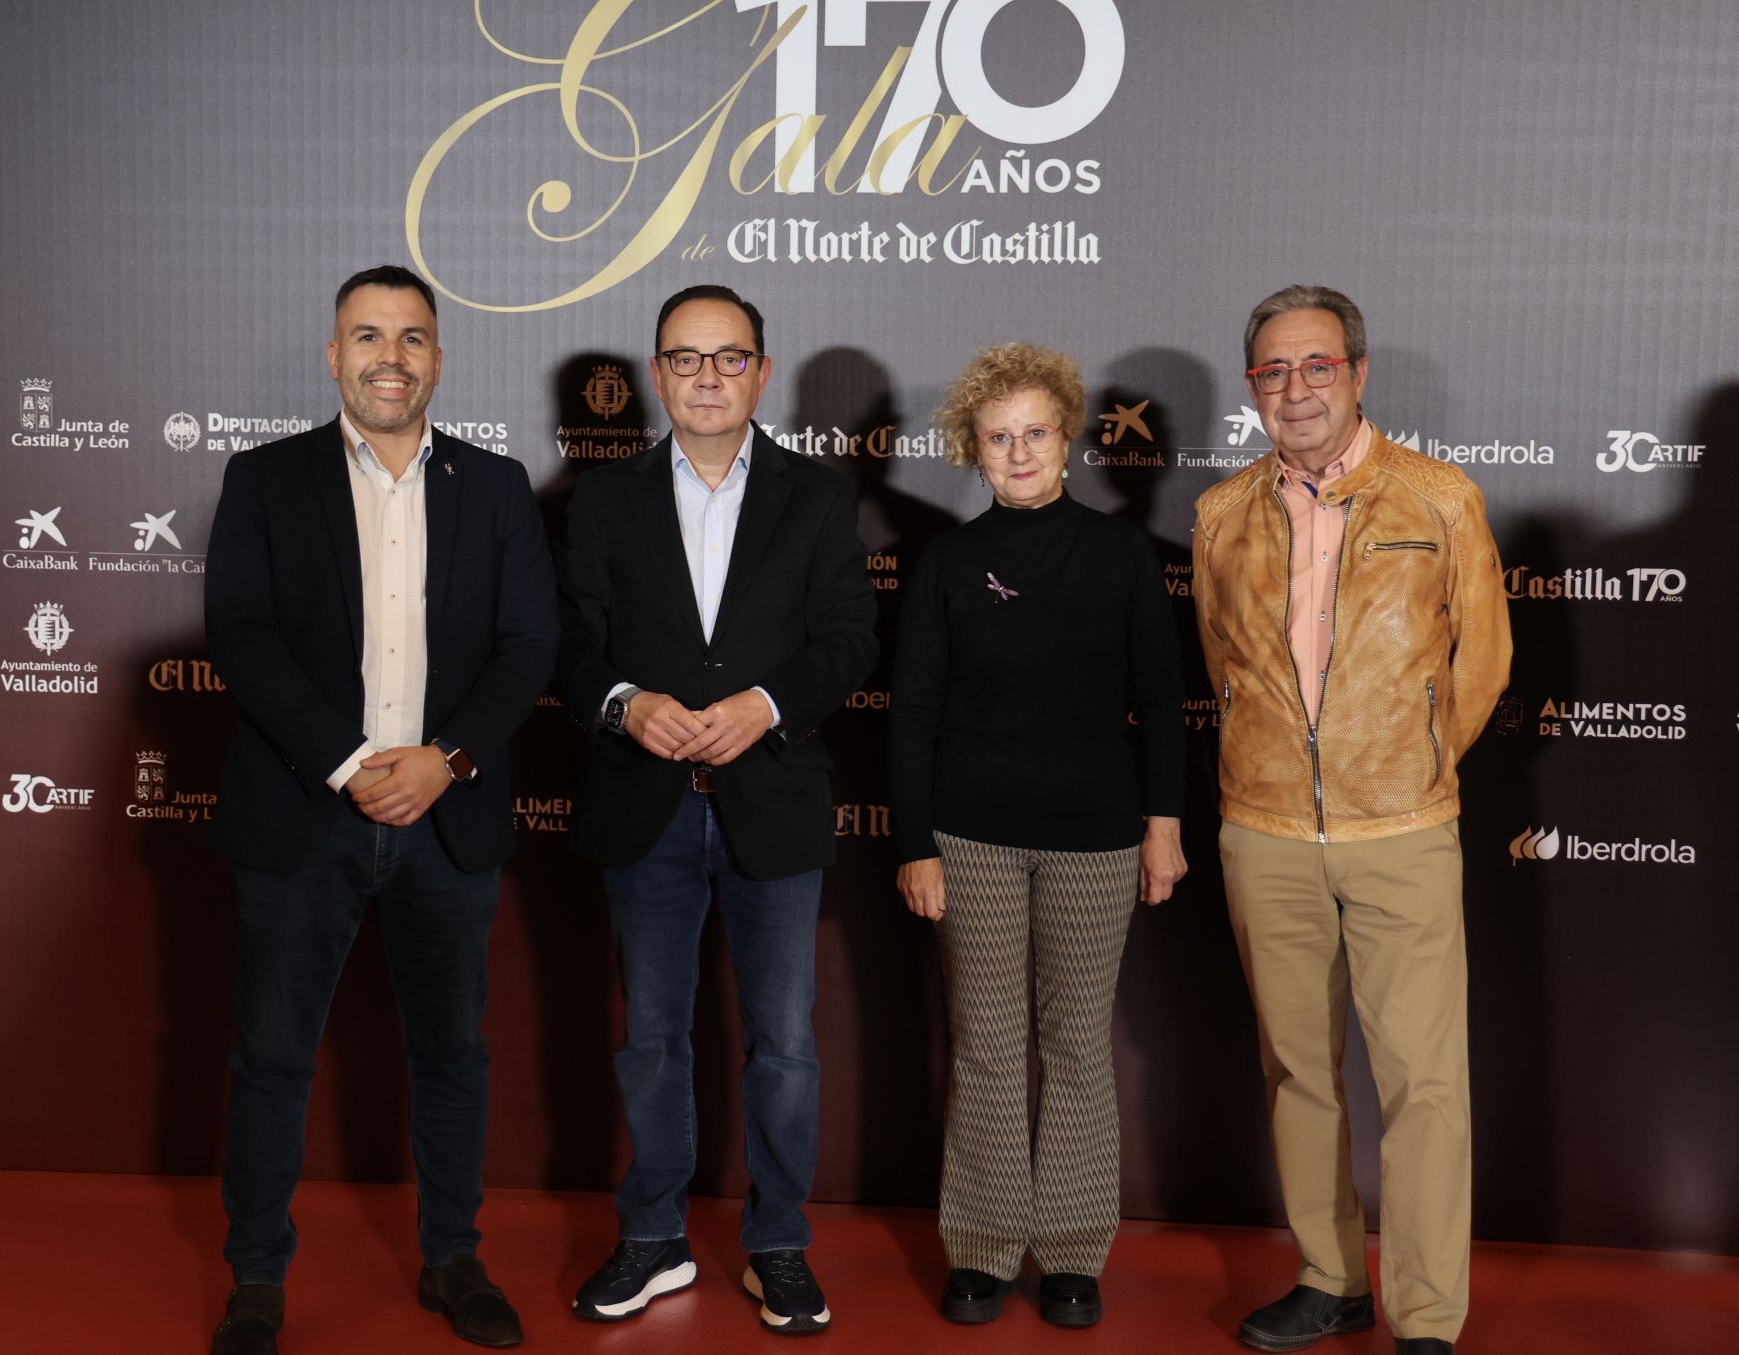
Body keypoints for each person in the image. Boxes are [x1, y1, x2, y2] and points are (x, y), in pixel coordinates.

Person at [203, 265, 557, 1354]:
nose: (389, 356)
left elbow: (527, 646)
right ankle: (257, 1278)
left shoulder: (495, 489)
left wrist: (442, 760)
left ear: (439, 358)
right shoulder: (265, 478)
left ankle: (453, 1255)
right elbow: (242, 635)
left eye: (411, 336)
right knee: (273, 1055)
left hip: (446, 823)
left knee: (452, 1051)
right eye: (367, 335)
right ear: (334, 356)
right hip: (305, 820)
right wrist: (354, 760)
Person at [1191, 285, 1510, 1355]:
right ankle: (1329, 1277)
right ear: (1254, 390)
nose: (1296, 388)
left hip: (1402, 828)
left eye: (1316, 365)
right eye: (1273, 371)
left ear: (1358, 374)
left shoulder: (1441, 498)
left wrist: (1401, 770)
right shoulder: (1220, 513)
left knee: (1424, 1082)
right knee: (1298, 1068)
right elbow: (1223, 664)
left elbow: (1483, 665)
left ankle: (1426, 1313)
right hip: (1264, 829)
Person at [553, 284, 877, 1335]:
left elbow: (847, 639)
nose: (706, 376)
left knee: (784, 1038)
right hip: (644, 806)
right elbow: (569, 648)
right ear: (656, 375)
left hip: (771, 800)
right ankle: (653, 1236)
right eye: (684, 358)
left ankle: (777, 1243)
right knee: (651, 1035)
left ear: (761, 372)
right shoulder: (600, 500)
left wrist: (766, 703)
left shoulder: (820, 498)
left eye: (728, 357)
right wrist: (626, 703)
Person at [888, 343, 1187, 1328]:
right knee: (984, 1042)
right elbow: (912, 712)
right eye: (997, 436)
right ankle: (978, 1247)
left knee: (1074, 1043)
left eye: (1034, 432)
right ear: (973, 447)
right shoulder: (946, 561)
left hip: (1097, 839)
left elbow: (1158, 696)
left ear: (1069, 437)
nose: (1017, 451)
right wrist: (915, 843)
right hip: (968, 837)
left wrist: (1163, 824)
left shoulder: (1120, 556)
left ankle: (1068, 1251)